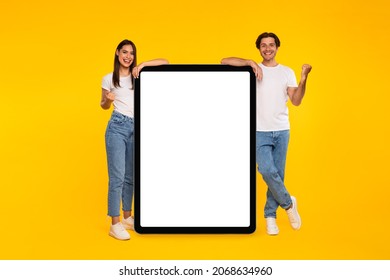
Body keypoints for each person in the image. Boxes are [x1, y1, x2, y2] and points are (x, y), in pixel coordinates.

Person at [221, 32, 312, 235]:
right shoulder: (252, 68)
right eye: (264, 45)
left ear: (277, 47)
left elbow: (296, 101)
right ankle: (289, 204)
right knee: (266, 170)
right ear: (259, 48)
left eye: (271, 45)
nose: (268, 48)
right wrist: (249, 61)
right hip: (259, 130)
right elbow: (224, 61)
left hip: (281, 130)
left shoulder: (286, 72)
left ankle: (270, 216)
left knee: (277, 174)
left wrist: (303, 79)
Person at [101, 39, 168, 240]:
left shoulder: (138, 74)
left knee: (131, 176)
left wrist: (143, 65)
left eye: (131, 53)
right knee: (117, 177)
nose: (128, 56)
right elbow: (103, 105)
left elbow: (165, 62)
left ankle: (127, 217)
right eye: (124, 52)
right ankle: (115, 223)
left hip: (136, 127)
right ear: (117, 53)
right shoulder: (108, 78)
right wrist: (107, 99)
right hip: (117, 127)